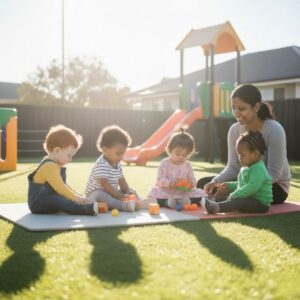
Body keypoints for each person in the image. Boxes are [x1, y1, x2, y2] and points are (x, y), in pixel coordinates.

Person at [198, 84, 291, 204]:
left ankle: (222, 200)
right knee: (204, 183)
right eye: (233, 108)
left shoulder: (274, 130)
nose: (236, 113)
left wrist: (241, 187)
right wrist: (215, 181)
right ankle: (221, 198)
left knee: (233, 194)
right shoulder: (234, 130)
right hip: (244, 180)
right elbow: (233, 167)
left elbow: (274, 174)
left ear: (256, 107)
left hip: (273, 186)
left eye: (241, 109)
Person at [28, 125, 98, 215]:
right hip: (38, 204)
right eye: (69, 155)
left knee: (60, 198)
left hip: (49, 199)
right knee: (57, 200)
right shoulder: (49, 165)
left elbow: (63, 186)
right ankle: (84, 209)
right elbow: (60, 188)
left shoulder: (54, 164)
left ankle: (80, 205)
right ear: (57, 150)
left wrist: (78, 196)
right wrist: (77, 198)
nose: (70, 159)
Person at [201, 131, 272, 214]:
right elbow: (242, 184)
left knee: (237, 202)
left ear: (255, 154)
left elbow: (252, 187)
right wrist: (229, 185)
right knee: (229, 197)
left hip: (260, 204)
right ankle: (209, 201)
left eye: (242, 155)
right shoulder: (247, 167)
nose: (239, 158)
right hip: (249, 198)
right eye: (238, 155)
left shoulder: (258, 169)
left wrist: (235, 194)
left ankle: (216, 208)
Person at [147, 129, 205, 208]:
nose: (181, 157)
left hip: (183, 193)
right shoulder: (164, 163)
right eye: (177, 154)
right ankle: (167, 203)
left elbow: (192, 180)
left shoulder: (188, 165)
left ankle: (186, 201)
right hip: (166, 192)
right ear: (170, 150)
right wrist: (169, 183)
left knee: (200, 193)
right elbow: (160, 179)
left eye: (185, 155)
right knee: (154, 193)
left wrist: (191, 184)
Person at [85, 125, 137, 212]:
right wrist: (118, 196)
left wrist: (127, 192)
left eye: (123, 153)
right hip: (95, 194)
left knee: (131, 190)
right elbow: (104, 184)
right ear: (105, 150)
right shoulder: (101, 164)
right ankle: (124, 206)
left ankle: (139, 202)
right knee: (102, 195)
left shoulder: (117, 163)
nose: (121, 157)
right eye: (118, 153)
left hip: (111, 192)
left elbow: (122, 180)